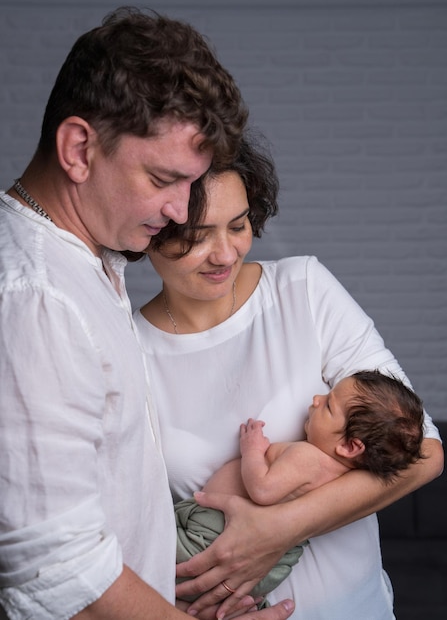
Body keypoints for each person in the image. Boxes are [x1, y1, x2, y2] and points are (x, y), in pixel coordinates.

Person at [0, 8, 296, 620]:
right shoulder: (37, 299)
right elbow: (56, 574)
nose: (181, 211)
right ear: (79, 148)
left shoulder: (88, 262)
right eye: (164, 178)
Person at [134, 135, 444, 620]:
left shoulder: (302, 289)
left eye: (238, 226)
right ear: (152, 229)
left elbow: (423, 450)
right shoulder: (127, 348)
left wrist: (276, 529)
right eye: (197, 236)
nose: (225, 254)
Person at [176, 370, 425, 603]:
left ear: (349, 447)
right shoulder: (340, 475)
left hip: (215, 534)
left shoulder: (309, 458)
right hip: (264, 565)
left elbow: (262, 490)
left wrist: (252, 450)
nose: (317, 399)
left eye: (329, 405)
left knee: (150, 556)